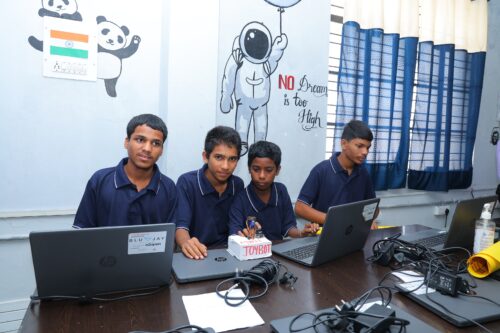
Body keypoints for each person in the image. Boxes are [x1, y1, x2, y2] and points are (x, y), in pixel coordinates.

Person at [73, 114, 177, 228]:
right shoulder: (100, 180)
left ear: (162, 150)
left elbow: (170, 236)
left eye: (156, 143)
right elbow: (81, 230)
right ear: (127, 142)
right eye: (140, 140)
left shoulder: (169, 188)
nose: (147, 149)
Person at [175, 126, 244, 259]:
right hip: (198, 253)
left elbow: (237, 225)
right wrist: (186, 243)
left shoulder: (238, 184)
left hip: (229, 254)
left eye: (232, 159)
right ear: (206, 157)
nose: (225, 166)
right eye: (219, 157)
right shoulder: (187, 183)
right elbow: (181, 227)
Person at [229, 141, 319, 240]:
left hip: (278, 252)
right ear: (249, 169)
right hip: (252, 253)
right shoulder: (240, 199)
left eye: (268, 170)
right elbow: (235, 234)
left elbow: (288, 227)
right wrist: (244, 236)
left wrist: (301, 233)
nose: (262, 176)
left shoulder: (281, 191)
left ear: (277, 170)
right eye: (256, 169)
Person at [295, 120, 377, 226]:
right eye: (360, 146)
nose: (365, 152)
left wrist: (368, 218)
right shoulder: (321, 170)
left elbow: (374, 208)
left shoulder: (363, 173)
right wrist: (334, 220)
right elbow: (300, 207)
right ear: (344, 144)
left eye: (368, 147)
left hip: (353, 233)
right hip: (325, 235)